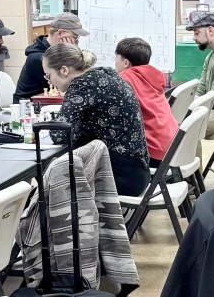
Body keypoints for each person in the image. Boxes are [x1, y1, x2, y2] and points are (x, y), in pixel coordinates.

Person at [41, 43, 150, 197]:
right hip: (138, 172)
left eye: (48, 75)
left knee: (50, 183)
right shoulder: (106, 74)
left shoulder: (82, 84)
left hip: (121, 177)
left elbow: (59, 133)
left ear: (64, 70)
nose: (49, 81)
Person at [114, 36, 178, 165]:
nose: (114, 61)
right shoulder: (155, 75)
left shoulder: (124, 78)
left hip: (152, 152)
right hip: (172, 147)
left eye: (116, 57)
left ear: (126, 63)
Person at [14, 12, 87, 102]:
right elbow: (71, 82)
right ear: (60, 33)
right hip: (28, 105)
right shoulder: (40, 58)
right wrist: (71, 54)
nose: (76, 42)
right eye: (74, 37)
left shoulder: (53, 52)